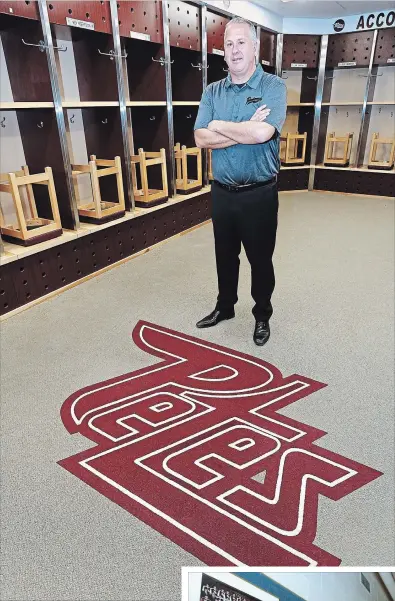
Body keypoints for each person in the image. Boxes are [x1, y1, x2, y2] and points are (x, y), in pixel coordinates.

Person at [194, 16, 287, 346]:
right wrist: (242, 129)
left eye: (241, 43)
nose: (234, 50)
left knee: (260, 259)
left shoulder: (272, 87)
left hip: (259, 194)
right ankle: (225, 306)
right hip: (222, 192)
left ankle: (262, 314)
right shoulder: (213, 90)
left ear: (255, 47)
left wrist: (219, 124)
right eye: (228, 44)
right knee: (225, 255)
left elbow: (263, 132)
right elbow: (200, 138)